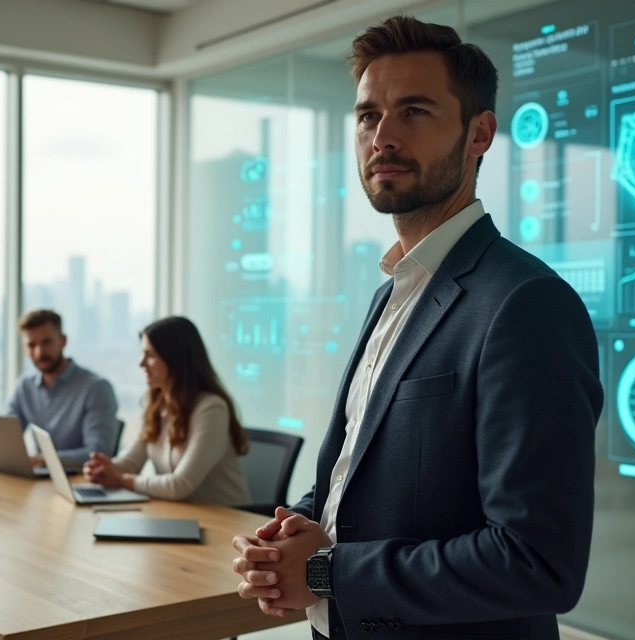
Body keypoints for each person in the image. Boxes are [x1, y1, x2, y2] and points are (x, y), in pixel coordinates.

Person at [230, 15, 603, 640]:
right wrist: (290, 534)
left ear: (479, 133)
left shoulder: (526, 303)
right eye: (368, 115)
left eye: (415, 112)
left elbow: (539, 562)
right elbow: (362, 477)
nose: (383, 137)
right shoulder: (392, 293)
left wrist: (324, 574)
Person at [83, 316, 251, 506]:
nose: (141, 363)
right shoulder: (157, 405)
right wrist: (105, 469)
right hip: (182, 515)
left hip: (227, 521)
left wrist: (122, 480)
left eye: (150, 355)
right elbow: (131, 463)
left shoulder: (211, 409)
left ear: (175, 358)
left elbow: (181, 485)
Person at [8, 309, 119, 472]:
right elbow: (6, 436)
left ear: (63, 340)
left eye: (46, 342)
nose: (39, 352)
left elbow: (98, 453)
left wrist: (45, 460)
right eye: (31, 345)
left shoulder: (96, 388)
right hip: (40, 481)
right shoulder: (24, 386)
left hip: (80, 481)